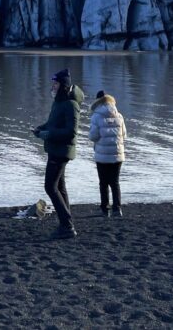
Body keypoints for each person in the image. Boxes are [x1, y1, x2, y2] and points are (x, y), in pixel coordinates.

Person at [33, 68, 84, 238]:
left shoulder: (71, 105)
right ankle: (66, 223)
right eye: (53, 83)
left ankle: (67, 226)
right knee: (60, 187)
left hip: (61, 151)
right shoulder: (58, 102)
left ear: (63, 85)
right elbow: (52, 123)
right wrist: (40, 129)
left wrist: (48, 134)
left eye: (56, 83)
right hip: (55, 149)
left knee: (50, 187)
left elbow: (71, 132)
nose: (53, 86)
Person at [89, 91, 127, 217]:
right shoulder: (119, 116)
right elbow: (124, 135)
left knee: (103, 182)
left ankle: (105, 209)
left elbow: (93, 136)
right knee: (115, 182)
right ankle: (117, 209)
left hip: (102, 155)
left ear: (97, 102)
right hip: (118, 154)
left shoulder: (96, 116)